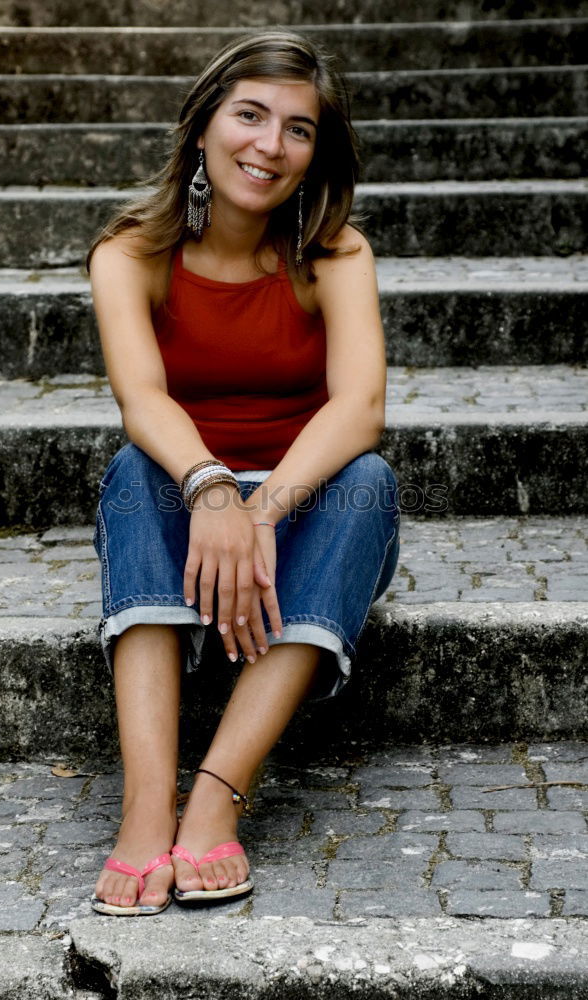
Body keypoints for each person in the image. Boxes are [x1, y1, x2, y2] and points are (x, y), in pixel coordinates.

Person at [88, 30, 400, 915]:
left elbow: (357, 410)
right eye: (250, 115)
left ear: (315, 154)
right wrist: (213, 487)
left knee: (368, 475)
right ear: (202, 127)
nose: (270, 145)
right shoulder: (130, 253)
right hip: (185, 495)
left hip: (309, 506)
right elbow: (142, 400)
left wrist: (258, 512)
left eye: (298, 130)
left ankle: (216, 795)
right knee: (130, 468)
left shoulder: (338, 254)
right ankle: (147, 809)